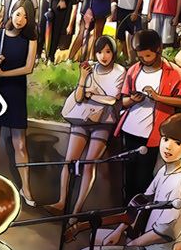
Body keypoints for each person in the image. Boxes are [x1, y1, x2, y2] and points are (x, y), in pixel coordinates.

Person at [78, 113, 181, 250]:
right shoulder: (165, 170)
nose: (168, 147)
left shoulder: (180, 182)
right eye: (165, 139)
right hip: (146, 243)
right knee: (97, 237)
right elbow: (141, 201)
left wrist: (131, 245)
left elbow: (166, 232)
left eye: (177, 143)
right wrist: (119, 230)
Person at [46, 35, 126, 216]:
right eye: (99, 52)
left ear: (113, 53)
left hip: (104, 122)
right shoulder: (90, 68)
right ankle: (61, 202)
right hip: (82, 118)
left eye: (107, 51)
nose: (103, 56)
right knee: (69, 161)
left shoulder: (119, 71)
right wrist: (83, 78)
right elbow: (78, 97)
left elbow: (112, 99)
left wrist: (91, 95)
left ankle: (77, 210)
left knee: (89, 164)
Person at [115, 29, 181, 206]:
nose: (144, 60)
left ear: (159, 49)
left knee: (144, 180)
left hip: (153, 134)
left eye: (148, 56)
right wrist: (132, 100)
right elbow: (122, 101)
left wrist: (157, 97)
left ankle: (139, 215)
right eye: (140, 56)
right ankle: (125, 213)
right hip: (129, 129)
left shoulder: (174, 71)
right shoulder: (133, 70)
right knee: (127, 177)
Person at [0, 0, 38, 207]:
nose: (20, 19)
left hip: (15, 91)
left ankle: (26, 188)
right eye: (18, 13)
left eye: (25, 16)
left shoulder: (30, 39)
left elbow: (28, 68)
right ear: (11, 13)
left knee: (20, 143)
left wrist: (5, 74)